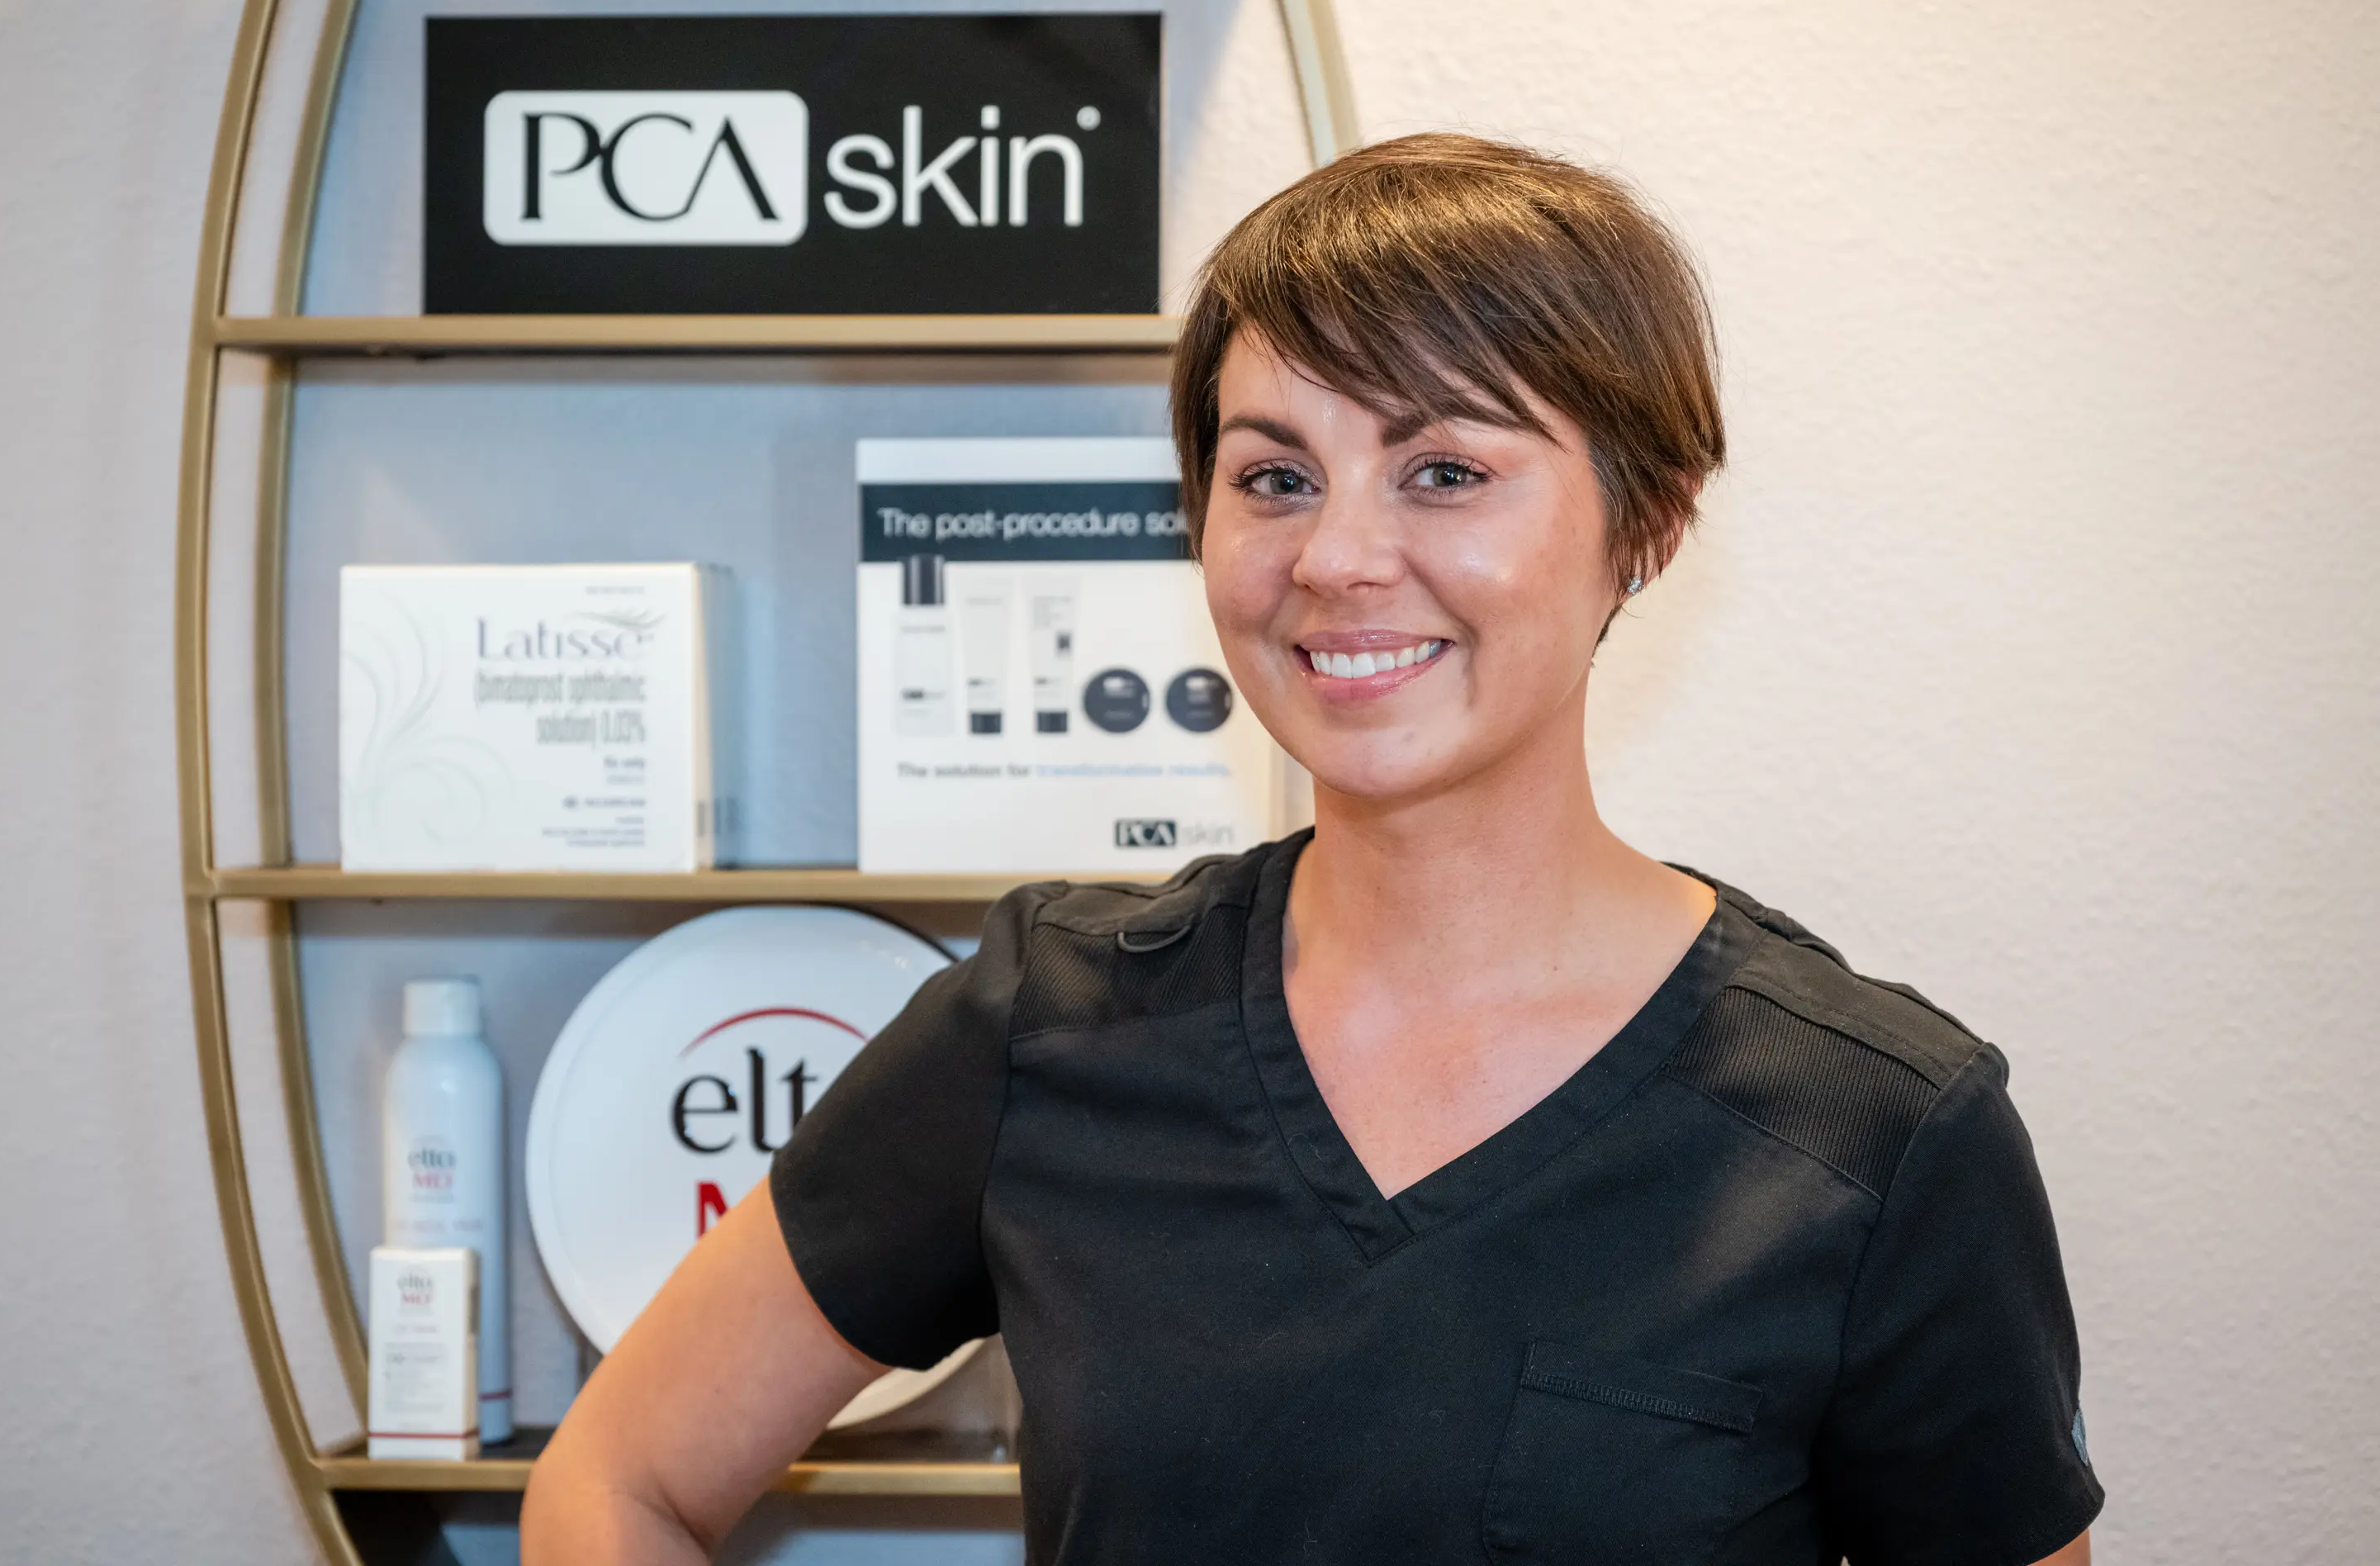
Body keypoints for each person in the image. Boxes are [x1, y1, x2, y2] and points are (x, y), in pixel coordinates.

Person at [520, 134, 2103, 1565]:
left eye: (1447, 471)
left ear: (1653, 517)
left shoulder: (1878, 1135)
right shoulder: (1048, 1026)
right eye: (1273, 476)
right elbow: (617, 1484)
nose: (1337, 558)